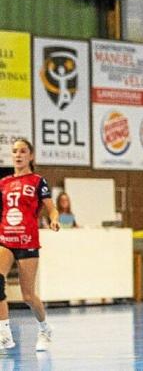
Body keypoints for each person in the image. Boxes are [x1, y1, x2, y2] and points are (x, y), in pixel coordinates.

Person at [0, 138, 60, 351]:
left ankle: (44, 328)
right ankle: (4, 333)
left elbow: (51, 208)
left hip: (27, 241)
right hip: (5, 238)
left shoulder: (37, 181)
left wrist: (54, 218)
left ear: (31, 156)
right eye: (15, 151)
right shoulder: (3, 183)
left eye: (23, 151)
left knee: (28, 296)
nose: (18, 155)